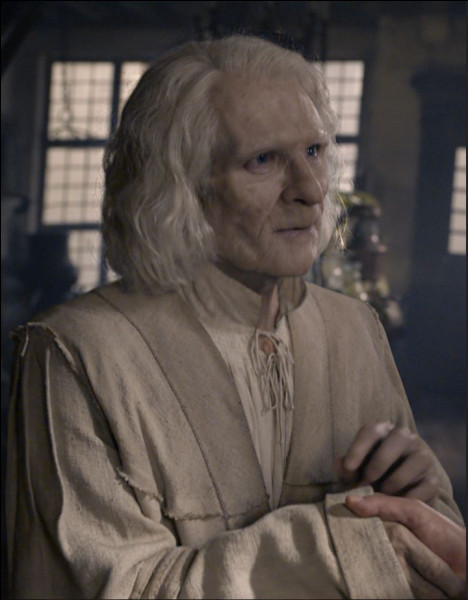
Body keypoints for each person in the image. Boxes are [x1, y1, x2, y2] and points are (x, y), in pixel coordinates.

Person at [6, 35, 464, 599]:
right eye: (263, 160)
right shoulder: (78, 351)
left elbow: (440, 563)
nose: (311, 189)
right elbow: (113, 587)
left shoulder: (355, 328)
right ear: (179, 188)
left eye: (315, 150)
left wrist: (421, 498)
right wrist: (347, 547)